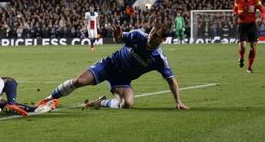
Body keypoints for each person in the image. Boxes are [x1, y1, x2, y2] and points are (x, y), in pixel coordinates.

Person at [36, 23, 189, 110]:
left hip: (122, 79)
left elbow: (171, 80)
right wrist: (118, 36)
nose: (150, 36)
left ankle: (100, 102)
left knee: (127, 104)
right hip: (109, 65)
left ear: (163, 39)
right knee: (78, 82)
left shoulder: (159, 59)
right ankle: (48, 99)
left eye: (155, 35)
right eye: (151, 33)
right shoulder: (137, 36)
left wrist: (178, 102)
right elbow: (121, 38)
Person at [233, 0, 265, 73]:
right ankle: (241, 57)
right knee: (243, 47)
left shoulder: (255, 0)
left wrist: (261, 18)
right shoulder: (237, 0)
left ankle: (249, 68)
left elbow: (263, 10)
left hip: (252, 25)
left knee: (252, 47)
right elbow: (235, 10)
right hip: (242, 26)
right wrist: (235, 15)